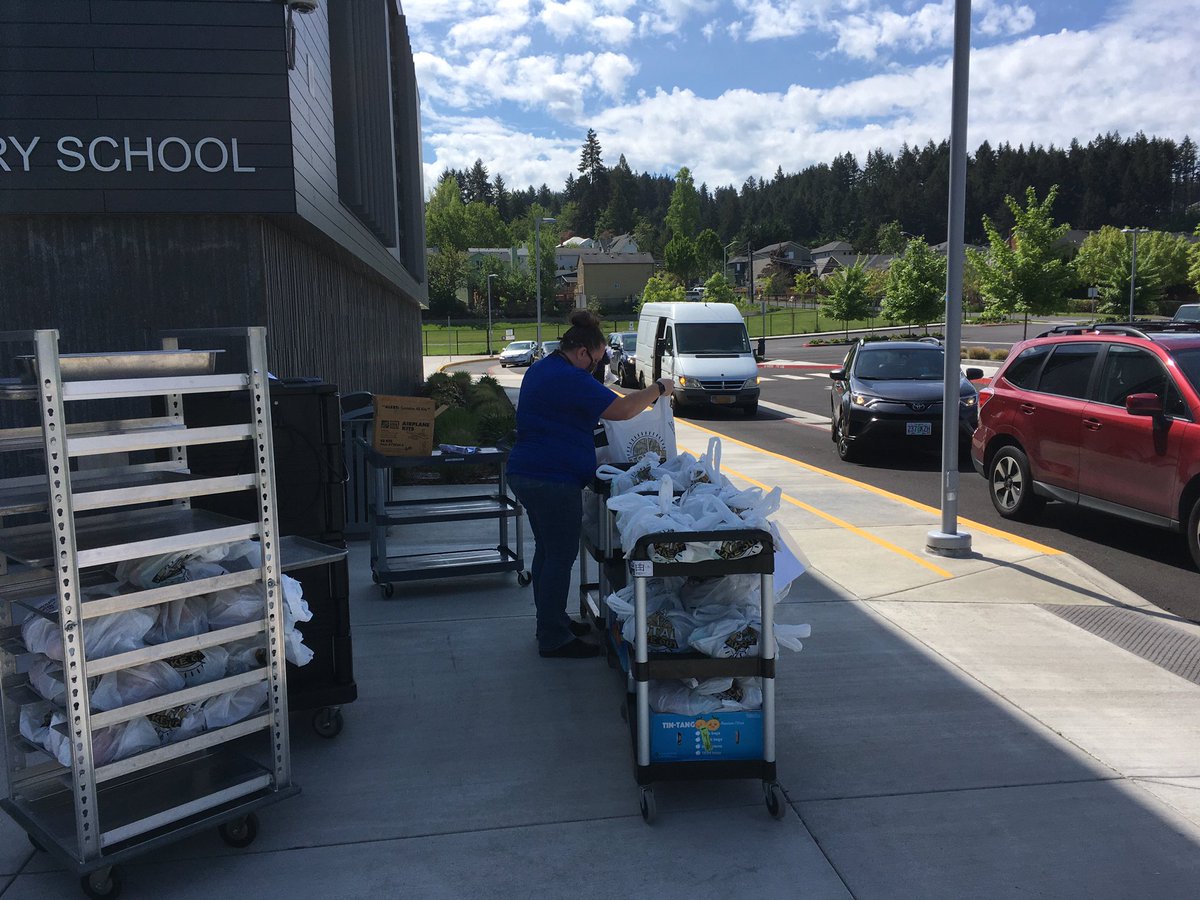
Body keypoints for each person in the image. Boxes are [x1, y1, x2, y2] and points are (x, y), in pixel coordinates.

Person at [507, 310, 675, 658]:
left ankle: (550, 621)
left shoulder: (544, 367)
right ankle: (552, 637)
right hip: (551, 480)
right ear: (582, 352)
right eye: (594, 362)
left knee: (547, 552)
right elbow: (624, 411)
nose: (595, 370)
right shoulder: (569, 376)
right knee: (560, 556)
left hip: (530, 473)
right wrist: (658, 389)